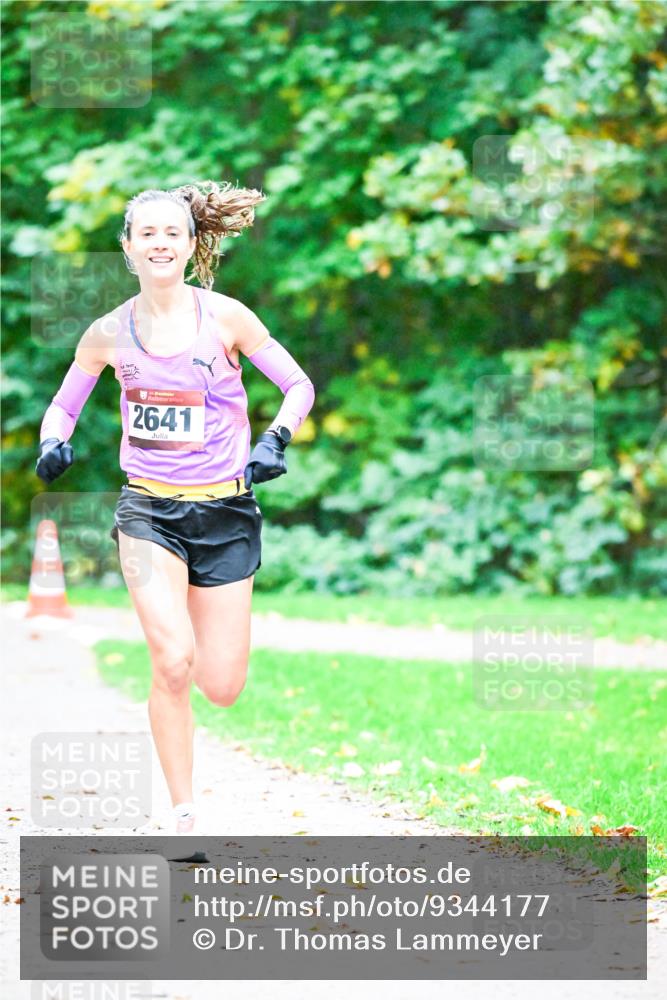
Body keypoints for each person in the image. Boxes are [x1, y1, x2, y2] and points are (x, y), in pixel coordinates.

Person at [35, 180, 315, 834]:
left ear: (191, 246)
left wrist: (276, 439)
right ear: (128, 248)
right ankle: (184, 813)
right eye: (147, 234)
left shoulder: (227, 318)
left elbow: (298, 385)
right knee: (171, 660)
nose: (159, 243)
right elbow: (63, 406)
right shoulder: (108, 333)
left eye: (172, 233)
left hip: (225, 514)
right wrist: (53, 442)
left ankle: (200, 642)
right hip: (148, 513)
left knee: (221, 685)